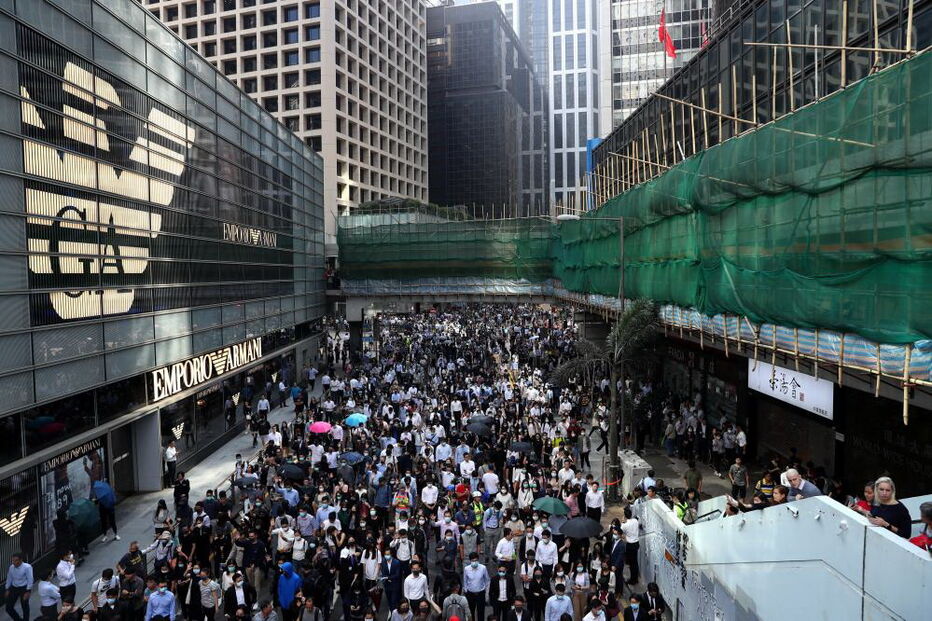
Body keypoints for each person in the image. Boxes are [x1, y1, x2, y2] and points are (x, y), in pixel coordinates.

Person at [4, 553, 33, 621]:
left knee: (24, 606)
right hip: (14, 588)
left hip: (24, 588)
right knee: (8, 608)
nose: (14, 562)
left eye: (16, 560)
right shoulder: (11, 567)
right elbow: (9, 578)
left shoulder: (27, 567)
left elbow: (30, 579)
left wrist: (28, 591)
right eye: (13, 560)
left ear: (21, 560)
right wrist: (7, 588)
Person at [463, 552, 489, 621]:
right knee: (471, 613)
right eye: (472, 561)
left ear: (478, 560)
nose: (474, 562)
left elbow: (487, 580)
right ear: (470, 561)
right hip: (470, 594)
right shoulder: (466, 569)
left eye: (476, 560)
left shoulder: (483, 568)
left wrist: (486, 593)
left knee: (481, 612)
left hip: (480, 593)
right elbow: (465, 581)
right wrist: (466, 590)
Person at [620, 507, 640, 585]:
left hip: (630, 545)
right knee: (634, 562)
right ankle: (635, 578)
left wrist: (622, 521)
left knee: (632, 564)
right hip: (636, 543)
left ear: (625, 516)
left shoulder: (624, 525)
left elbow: (620, 532)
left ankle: (633, 580)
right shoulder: (635, 521)